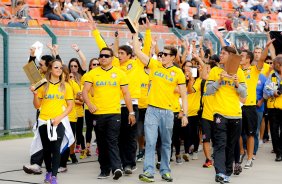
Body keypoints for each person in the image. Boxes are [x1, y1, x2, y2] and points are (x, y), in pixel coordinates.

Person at [133, 27, 188, 182]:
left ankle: (165, 170)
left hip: (168, 112)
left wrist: (184, 113)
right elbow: (138, 52)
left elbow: (184, 94)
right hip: (152, 110)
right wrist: (135, 33)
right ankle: (149, 172)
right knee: (150, 141)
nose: (161, 56)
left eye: (165, 54)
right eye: (161, 54)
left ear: (173, 57)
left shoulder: (178, 73)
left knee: (166, 143)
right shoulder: (155, 65)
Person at [82, 47, 136, 180]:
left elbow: (126, 93)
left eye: (106, 56)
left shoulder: (120, 73)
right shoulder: (92, 73)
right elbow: (85, 92)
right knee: (101, 143)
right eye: (101, 56)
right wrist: (89, 104)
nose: (103, 58)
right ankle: (104, 170)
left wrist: (131, 112)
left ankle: (117, 168)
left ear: (112, 58)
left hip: (114, 113)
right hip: (98, 114)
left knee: (112, 140)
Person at [206, 46, 247, 183]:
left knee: (231, 145)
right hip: (220, 114)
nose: (220, 55)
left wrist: (236, 84)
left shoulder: (239, 72)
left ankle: (227, 173)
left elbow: (244, 94)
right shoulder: (215, 71)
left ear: (231, 57)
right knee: (220, 144)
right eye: (221, 53)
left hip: (236, 115)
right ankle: (220, 172)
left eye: (223, 54)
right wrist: (219, 81)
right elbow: (208, 91)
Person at [30, 59, 74, 184]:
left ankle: (54, 176)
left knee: (56, 148)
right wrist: (34, 95)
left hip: (58, 121)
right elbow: (37, 105)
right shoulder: (42, 84)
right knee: (46, 149)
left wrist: (59, 118)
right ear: (50, 69)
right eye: (56, 67)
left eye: (60, 67)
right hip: (44, 120)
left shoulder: (66, 86)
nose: (59, 70)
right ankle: (48, 172)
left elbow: (70, 106)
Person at [23, 49, 54, 175]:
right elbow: (30, 70)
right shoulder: (40, 77)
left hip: (56, 115)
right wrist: (32, 56)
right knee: (40, 138)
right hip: (42, 113)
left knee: (54, 140)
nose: (39, 67)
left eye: (41, 65)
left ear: (49, 66)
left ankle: (57, 164)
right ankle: (36, 164)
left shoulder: (55, 79)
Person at [263, 56, 282, 162]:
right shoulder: (272, 75)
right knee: (274, 131)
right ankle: (278, 152)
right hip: (273, 108)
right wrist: (272, 93)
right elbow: (266, 89)